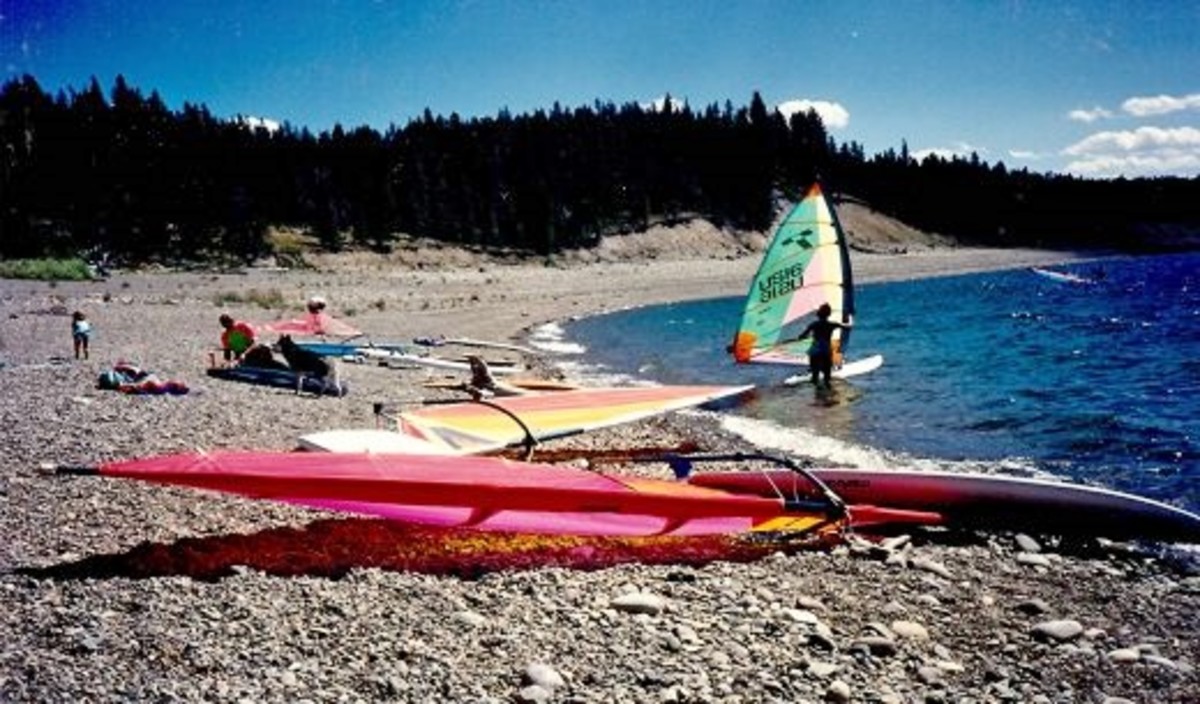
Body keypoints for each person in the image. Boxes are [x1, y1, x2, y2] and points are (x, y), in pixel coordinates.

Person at [796, 303, 852, 388]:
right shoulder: (832, 324)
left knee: (814, 378)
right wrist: (850, 317)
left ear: (818, 314)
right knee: (827, 379)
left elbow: (802, 336)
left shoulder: (813, 324)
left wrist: (801, 337)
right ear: (829, 314)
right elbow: (848, 327)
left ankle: (816, 397)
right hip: (825, 351)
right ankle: (827, 397)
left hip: (815, 351)